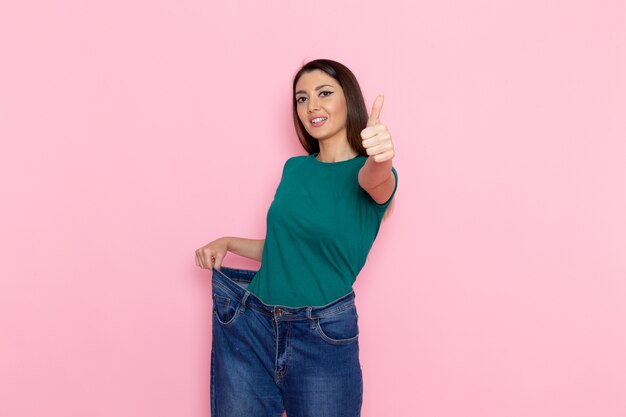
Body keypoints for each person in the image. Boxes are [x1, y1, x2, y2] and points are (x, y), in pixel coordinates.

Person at [195, 58, 398, 417]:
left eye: (324, 93)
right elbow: (285, 252)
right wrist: (228, 242)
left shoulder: (370, 175)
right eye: (301, 99)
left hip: (320, 335)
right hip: (251, 324)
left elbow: (376, 177)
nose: (311, 106)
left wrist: (381, 155)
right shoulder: (295, 168)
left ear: (348, 100)